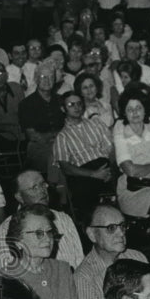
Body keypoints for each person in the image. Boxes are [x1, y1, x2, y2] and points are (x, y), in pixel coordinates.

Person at [113, 85, 150, 269]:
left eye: (138, 108)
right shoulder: (121, 136)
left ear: (145, 109)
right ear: (124, 112)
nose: (135, 113)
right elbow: (130, 171)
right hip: (132, 192)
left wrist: (145, 168)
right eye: (130, 109)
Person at [73, 205, 149, 299]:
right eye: (111, 228)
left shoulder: (137, 257)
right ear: (92, 234)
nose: (121, 233)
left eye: (123, 226)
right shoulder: (84, 277)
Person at [51, 90, 115, 220]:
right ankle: (92, 225)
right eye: (71, 105)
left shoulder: (96, 124)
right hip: (84, 173)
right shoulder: (62, 136)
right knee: (82, 191)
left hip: (105, 165)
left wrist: (111, 170)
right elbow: (66, 168)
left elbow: (112, 150)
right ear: (63, 109)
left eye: (79, 103)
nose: (77, 107)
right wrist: (94, 174)